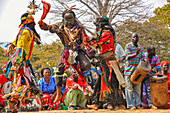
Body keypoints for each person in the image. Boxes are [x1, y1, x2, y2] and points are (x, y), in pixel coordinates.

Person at [38, 9, 94, 102]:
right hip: (66, 51)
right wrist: (42, 24)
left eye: (71, 19)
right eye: (66, 20)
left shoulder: (79, 27)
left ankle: (86, 87)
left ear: (74, 19)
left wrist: (87, 46)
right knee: (59, 69)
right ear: (63, 19)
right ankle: (59, 93)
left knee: (86, 65)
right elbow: (49, 28)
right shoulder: (60, 26)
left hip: (77, 50)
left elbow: (85, 39)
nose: (69, 22)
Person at [87, 16, 126, 110]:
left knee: (112, 82)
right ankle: (97, 103)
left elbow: (98, 42)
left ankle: (116, 104)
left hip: (109, 61)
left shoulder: (106, 33)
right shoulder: (104, 32)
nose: (97, 26)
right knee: (100, 82)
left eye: (98, 24)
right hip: (104, 60)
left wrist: (87, 40)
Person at [124, 33, 145, 110]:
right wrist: (136, 53)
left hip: (137, 71)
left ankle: (138, 104)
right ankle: (130, 105)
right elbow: (127, 57)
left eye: (137, 37)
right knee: (129, 88)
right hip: (128, 70)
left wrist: (144, 60)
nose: (135, 38)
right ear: (131, 38)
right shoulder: (128, 46)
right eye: (134, 37)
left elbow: (143, 57)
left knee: (137, 88)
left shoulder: (140, 47)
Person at [141, 45, 161, 109]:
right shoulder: (143, 56)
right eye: (153, 50)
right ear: (149, 51)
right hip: (141, 74)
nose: (155, 52)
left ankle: (151, 105)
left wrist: (159, 73)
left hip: (148, 74)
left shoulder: (156, 57)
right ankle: (138, 105)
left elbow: (158, 68)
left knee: (149, 89)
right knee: (139, 90)